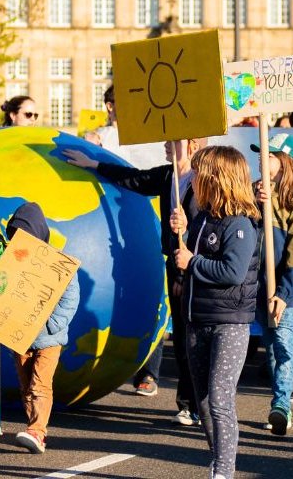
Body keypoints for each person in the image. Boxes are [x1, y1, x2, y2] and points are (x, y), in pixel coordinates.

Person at [60, 140, 201, 414]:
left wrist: (189, 227)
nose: (167, 145)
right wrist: (94, 165)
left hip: (199, 264)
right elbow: (133, 179)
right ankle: (188, 405)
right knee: (183, 336)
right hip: (176, 264)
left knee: (197, 338)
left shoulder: (203, 181)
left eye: (174, 141)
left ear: (192, 145)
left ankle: (202, 404)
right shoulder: (167, 176)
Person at [170, 145, 262, 479]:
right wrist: (179, 233)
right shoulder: (203, 217)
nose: (192, 179)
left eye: (198, 173)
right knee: (205, 401)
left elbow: (233, 272)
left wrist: (192, 262)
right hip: (197, 319)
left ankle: (223, 470)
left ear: (217, 179)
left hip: (229, 323)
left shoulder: (240, 225)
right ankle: (217, 458)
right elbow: (184, 256)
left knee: (220, 399)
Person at [250, 136, 293, 436]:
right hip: (259, 288)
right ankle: (280, 400)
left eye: (271, 156)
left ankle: (281, 406)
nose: (263, 161)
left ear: (285, 162)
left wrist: (284, 293)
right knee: (272, 351)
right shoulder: (253, 193)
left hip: (286, 293)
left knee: (284, 346)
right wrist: (254, 202)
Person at [9, 202, 80, 455]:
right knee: (26, 384)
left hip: (50, 337)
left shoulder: (57, 264)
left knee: (40, 383)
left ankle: (38, 430)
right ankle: (33, 425)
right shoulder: (12, 260)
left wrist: (52, 324)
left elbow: (70, 299)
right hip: (20, 335)